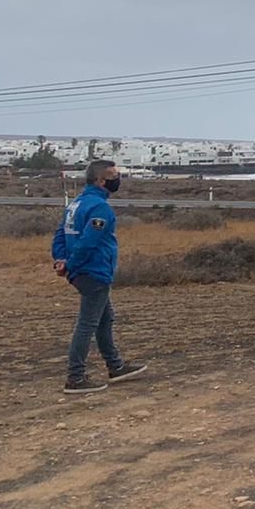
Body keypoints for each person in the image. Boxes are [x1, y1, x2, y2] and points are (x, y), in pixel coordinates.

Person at [50, 159, 147, 394]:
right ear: (102, 180)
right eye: (114, 175)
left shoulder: (76, 203)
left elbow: (60, 234)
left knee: (105, 318)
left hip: (82, 270)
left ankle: (115, 366)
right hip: (93, 271)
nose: (118, 179)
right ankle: (75, 377)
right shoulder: (99, 208)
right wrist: (70, 264)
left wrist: (61, 259)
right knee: (87, 324)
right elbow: (87, 243)